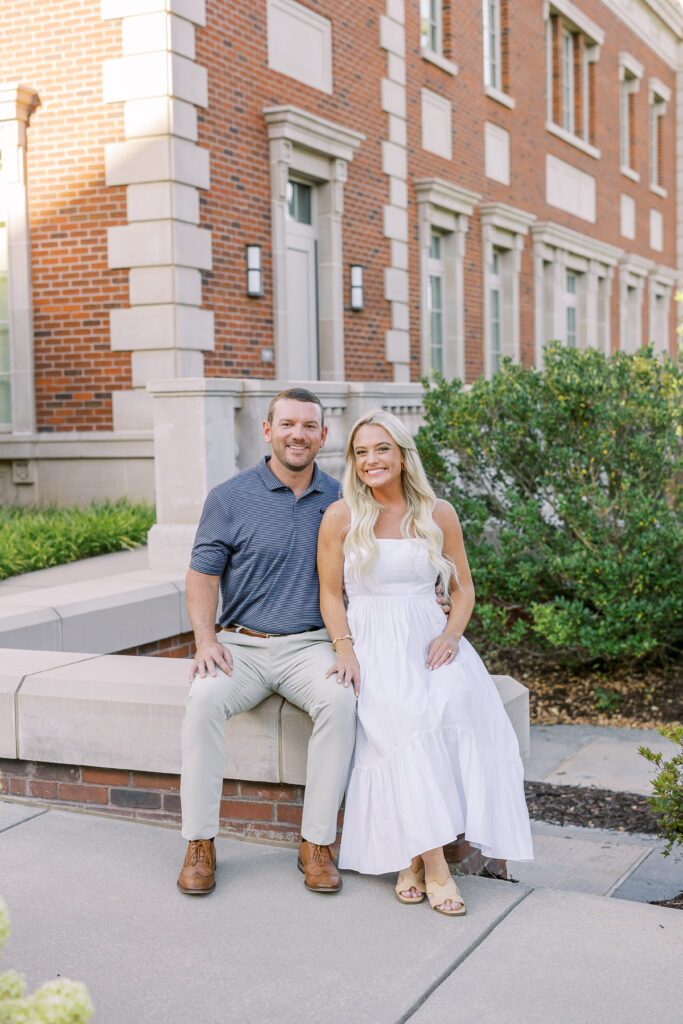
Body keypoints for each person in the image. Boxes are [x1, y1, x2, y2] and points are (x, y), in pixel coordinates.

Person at [317, 409, 533, 916]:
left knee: (455, 706)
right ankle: (437, 868)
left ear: (402, 454)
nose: (371, 460)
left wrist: (452, 636)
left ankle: (411, 861)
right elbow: (330, 594)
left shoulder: (438, 512)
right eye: (361, 452)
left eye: (381, 449)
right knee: (405, 719)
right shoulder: (342, 516)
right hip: (371, 640)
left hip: (429, 637)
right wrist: (345, 648)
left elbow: (463, 589)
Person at [177, 388, 357, 896]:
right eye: (287, 424)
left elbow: (374, 567)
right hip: (244, 648)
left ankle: (317, 845)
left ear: (323, 435)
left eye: (308, 426)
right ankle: (199, 844)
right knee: (203, 701)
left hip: (310, 647)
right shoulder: (230, 497)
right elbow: (202, 577)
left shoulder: (344, 500)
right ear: (267, 430)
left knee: (341, 703)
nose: (297, 434)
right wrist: (205, 640)